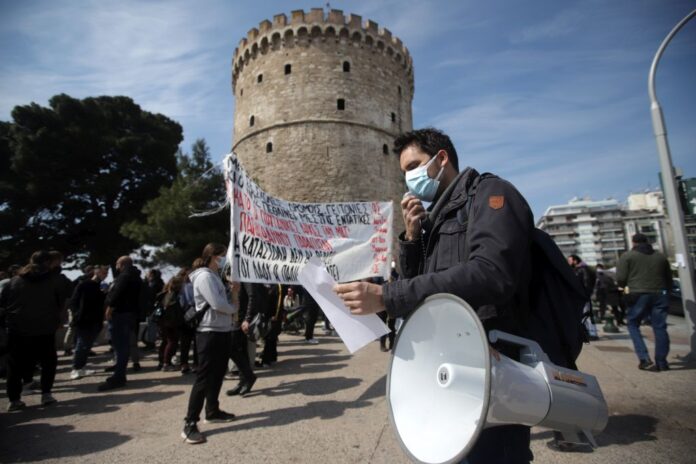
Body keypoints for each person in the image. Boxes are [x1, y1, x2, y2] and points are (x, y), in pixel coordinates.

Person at [334, 128, 535, 464]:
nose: (410, 178)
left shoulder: (490, 194)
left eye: (414, 165)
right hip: (449, 362)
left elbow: (492, 273)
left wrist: (387, 295)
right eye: (404, 173)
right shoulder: (433, 219)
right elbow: (422, 290)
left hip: (493, 362)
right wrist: (412, 240)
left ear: (442, 159)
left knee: (493, 456)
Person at [182, 243, 238, 444]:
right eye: (223, 255)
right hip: (208, 332)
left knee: (218, 373)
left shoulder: (215, 276)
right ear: (214, 256)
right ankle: (189, 423)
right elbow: (218, 304)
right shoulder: (204, 276)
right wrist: (234, 304)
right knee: (204, 377)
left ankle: (212, 410)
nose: (225, 259)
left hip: (221, 330)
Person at [1, 251, 70, 411]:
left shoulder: (14, 281)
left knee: (15, 366)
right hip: (44, 329)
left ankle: (14, 399)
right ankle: (46, 394)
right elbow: (62, 302)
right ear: (48, 263)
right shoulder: (54, 281)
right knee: (48, 362)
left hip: (17, 330)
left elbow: (3, 304)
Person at [616, 233, 672, 371]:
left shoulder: (628, 256)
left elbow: (621, 278)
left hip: (638, 293)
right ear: (647, 241)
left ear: (633, 242)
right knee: (660, 327)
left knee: (633, 323)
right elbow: (668, 278)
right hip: (660, 293)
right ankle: (662, 362)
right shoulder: (660, 256)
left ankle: (644, 358)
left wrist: (623, 286)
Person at [99, 256, 142, 391]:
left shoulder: (125, 276)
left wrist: (110, 307)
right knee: (125, 345)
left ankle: (119, 377)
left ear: (122, 264)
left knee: (120, 345)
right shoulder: (136, 277)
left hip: (120, 314)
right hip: (130, 314)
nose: (116, 265)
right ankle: (120, 374)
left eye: (117, 263)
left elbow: (117, 293)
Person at [70, 265, 108, 380]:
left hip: (95, 320)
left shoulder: (99, 287)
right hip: (84, 320)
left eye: (105, 274)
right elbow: (74, 302)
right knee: (81, 345)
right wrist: (77, 315)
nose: (104, 275)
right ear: (96, 273)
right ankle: (76, 368)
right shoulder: (84, 285)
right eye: (102, 273)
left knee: (86, 345)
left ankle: (81, 367)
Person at [225, 282, 260, 397]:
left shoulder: (246, 277)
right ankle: (243, 381)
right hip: (235, 318)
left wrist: (247, 319)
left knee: (231, 348)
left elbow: (253, 296)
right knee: (241, 351)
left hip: (242, 319)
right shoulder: (235, 277)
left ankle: (249, 377)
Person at [63, 265, 94, 357]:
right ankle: (67, 348)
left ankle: (83, 347)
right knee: (72, 327)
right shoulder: (80, 281)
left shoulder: (89, 281)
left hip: (83, 308)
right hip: (76, 308)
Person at [567, 254, 599, 341]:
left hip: (583, 296)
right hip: (579, 296)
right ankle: (586, 333)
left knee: (586, 314)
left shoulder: (583, 269)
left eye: (570, 261)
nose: (568, 262)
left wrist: (585, 295)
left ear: (575, 261)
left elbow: (586, 283)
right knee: (582, 315)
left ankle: (592, 333)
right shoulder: (577, 270)